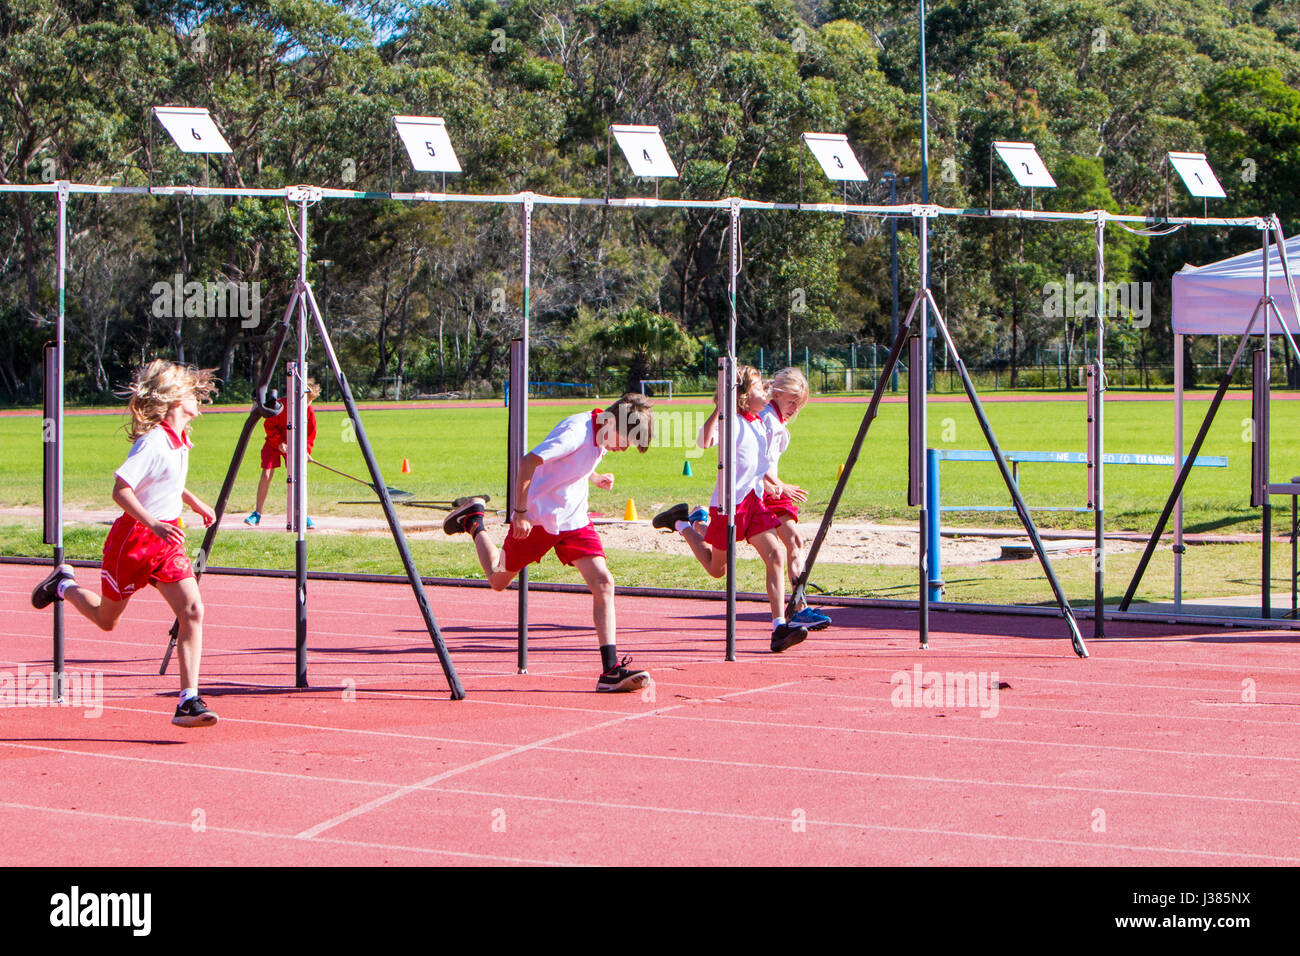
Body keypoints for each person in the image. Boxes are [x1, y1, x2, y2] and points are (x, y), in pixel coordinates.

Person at [31, 359, 220, 727]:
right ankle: (64, 585)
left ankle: (188, 700)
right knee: (107, 620)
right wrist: (152, 523)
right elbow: (121, 490)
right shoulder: (152, 442)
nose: (199, 398)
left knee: (193, 610)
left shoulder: (179, 440)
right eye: (191, 392)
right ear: (175, 400)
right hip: (133, 540)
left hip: (167, 541)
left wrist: (192, 502)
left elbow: (164, 480)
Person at [442, 393, 656, 692]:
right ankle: (473, 522)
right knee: (497, 578)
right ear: (613, 422)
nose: (622, 449)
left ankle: (610, 671)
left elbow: (576, 463)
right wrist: (519, 512)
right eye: (624, 441)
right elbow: (529, 461)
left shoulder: (603, 430)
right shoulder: (575, 431)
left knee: (604, 582)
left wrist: (594, 478)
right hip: (539, 519)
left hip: (574, 520)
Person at [652, 366, 808, 653]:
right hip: (728, 504)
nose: (768, 393)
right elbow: (703, 441)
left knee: (775, 554)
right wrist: (720, 408)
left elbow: (761, 467)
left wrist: (778, 485)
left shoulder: (760, 424)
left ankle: (779, 627)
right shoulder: (732, 421)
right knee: (716, 569)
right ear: (745, 396)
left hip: (753, 501)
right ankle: (682, 523)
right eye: (761, 388)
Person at [760, 367, 831, 631]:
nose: (794, 408)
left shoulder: (777, 420)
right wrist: (779, 485)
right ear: (777, 394)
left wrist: (777, 485)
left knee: (794, 541)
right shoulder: (767, 419)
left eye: (799, 404)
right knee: (718, 560)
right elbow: (756, 461)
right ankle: (693, 523)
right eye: (791, 401)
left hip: (773, 490)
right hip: (760, 490)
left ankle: (799, 607)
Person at [246, 378, 319, 528]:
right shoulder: (280, 404)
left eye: (310, 402)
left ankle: (302, 514)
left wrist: (305, 451)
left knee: (297, 477)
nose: (307, 405)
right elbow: (269, 424)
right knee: (266, 474)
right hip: (274, 443)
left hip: (294, 445)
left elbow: (309, 436)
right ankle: (257, 514)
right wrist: (278, 442)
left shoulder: (309, 411)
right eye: (306, 401)